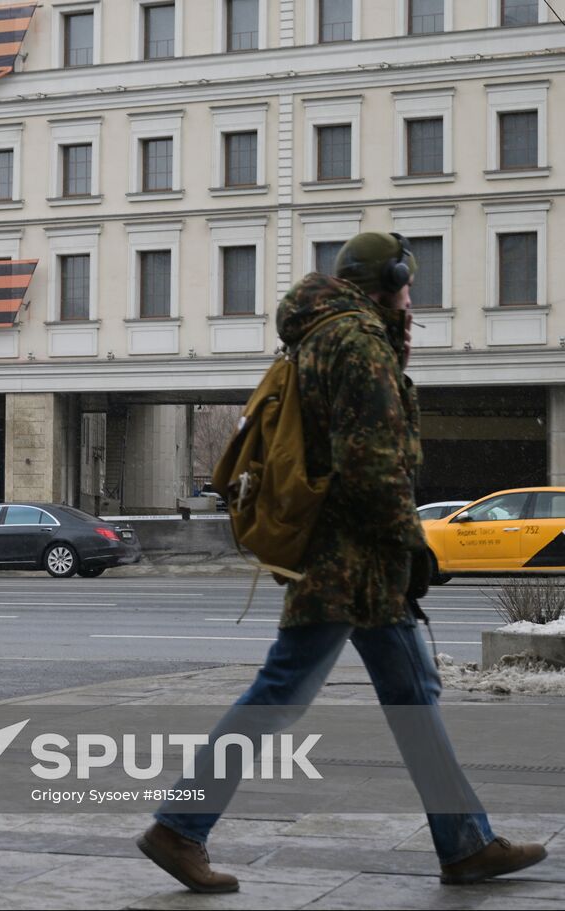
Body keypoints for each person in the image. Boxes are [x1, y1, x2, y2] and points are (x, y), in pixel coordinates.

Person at [136, 232, 547, 892]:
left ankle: (466, 842)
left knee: (413, 694)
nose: (414, 295)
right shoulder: (357, 339)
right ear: (384, 283)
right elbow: (373, 461)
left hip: (354, 561)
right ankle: (180, 826)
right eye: (407, 282)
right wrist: (413, 544)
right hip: (349, 563)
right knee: (280, 692)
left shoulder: (319, 333)